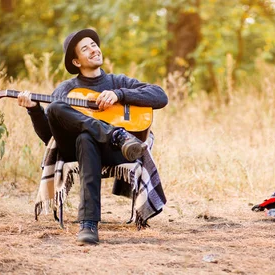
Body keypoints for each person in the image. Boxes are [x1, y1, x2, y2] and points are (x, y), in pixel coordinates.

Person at [17, 28, 168, 245]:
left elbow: (160, 96)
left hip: (117, 152)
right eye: (85, 48)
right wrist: (34, 109)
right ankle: (115, 134)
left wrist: (120, 94)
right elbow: (49, 137)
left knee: (86, 138)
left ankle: (88, 224)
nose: (93, 49)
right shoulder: (66, 89)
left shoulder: (118, 82)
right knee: (58, 108)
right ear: (77, 62)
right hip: (75, 150)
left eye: (94, 45)